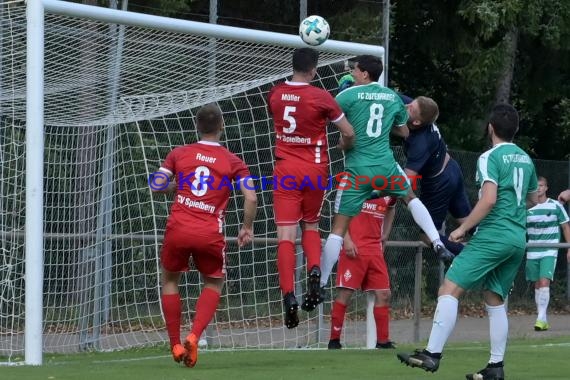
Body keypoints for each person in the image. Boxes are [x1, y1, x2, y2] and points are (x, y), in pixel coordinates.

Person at [397, 103, 538, 380]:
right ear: (516, 130)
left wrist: (464, 229)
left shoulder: (489, 157)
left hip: (494, 235)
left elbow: (489, 199)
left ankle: (432, 354)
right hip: (517, 238)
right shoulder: (525, 158)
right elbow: (532, 199)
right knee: (493, 297)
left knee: (449, 288)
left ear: (490, 128)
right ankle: (495, 367)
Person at [320, 55, 454, 291]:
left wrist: (348, 129)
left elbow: (336, 122)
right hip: (385, 166)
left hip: (358, 170)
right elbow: (403, 131)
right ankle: (436, 242)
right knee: (410, 198)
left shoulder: (348, 95)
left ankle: (319, 284)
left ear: (364, 74)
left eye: (355, 70)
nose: (352, 73)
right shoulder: (391, 97)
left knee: (338, 229)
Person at [150, 103, 257, 367]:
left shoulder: (179, 153)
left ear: (197, 126)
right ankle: (194, 336)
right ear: (222, 125)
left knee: (170, 281)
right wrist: (246, 227)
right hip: (209, 232)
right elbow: (251, 197)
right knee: (213, 283)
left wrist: (177, 185)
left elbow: (156, 185)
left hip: (178, 228)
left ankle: (175, 343)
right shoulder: (233, 161)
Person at [267, 47, 355, 329]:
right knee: (312, 226)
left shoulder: (276, 94)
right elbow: (348, 132)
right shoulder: (321, 97)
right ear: (314, 69)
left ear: (291, 66)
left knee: (285, 235)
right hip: (315, 169)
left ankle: (289, 295)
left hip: (285, 168)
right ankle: (315, 271)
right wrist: (345, 146)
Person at [401, 95, 472, 256]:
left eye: (411, 108)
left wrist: (385, 194)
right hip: (452, 168)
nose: (406, 106)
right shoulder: (419, 110)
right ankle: (492, 252)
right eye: (410, 103)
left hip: (439, 182)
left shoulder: (420, 142)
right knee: (467, 223)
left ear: (417, 122)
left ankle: (470, 256)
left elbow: (404, 184)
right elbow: (389, 95)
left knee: (427, 235)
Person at [328, 196, 397, 350]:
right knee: (345, 294)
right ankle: (334, 341)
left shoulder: (388, 187)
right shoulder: (357, 183)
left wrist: (385, 234)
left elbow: (392, 207)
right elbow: (340, 213)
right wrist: (346, 239)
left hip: (375, 251)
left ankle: (383, 342)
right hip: (353, 248)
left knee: (384, 294)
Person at [525, 176, 570, 331]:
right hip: (532, 250)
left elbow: (565, 227)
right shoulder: (527, 207)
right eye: (535, 186)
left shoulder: (556, 205)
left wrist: (569, 247)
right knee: (537, 284)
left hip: (549, 250)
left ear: (546, 188)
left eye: (541, 185)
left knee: (544, 282)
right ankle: (542, 319)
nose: (538, 188)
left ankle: (540, 318)